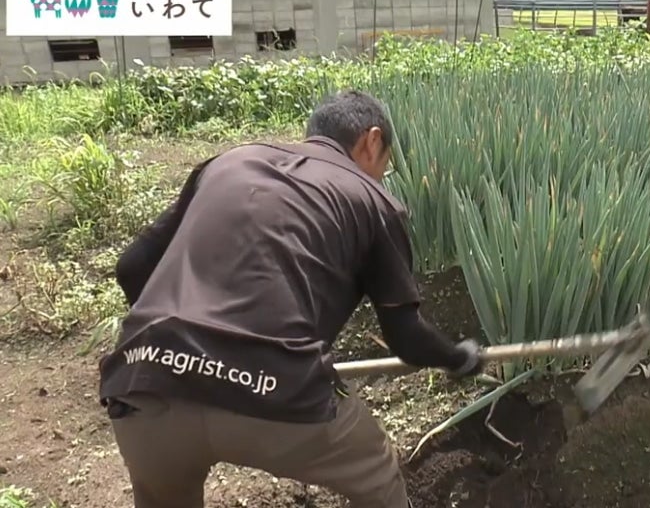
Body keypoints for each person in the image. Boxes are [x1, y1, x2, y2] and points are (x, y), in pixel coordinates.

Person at [98, 90, 483, 508]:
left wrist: (174, 348)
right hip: (276, 393)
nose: (381, 176)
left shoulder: (228, 162)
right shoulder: (371, 200)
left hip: (144, 385)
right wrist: (457, 357)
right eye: (385, 164)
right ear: (372, 141)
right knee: (377, 472)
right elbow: (404, 336)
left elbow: (131, 268)